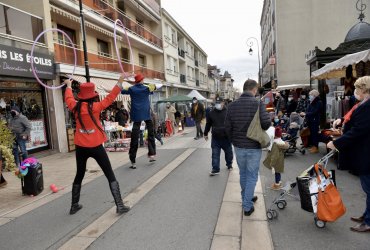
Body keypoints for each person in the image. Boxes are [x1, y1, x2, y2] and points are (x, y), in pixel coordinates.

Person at [64, 76, 130, 215]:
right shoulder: (96, 107)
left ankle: (73, 205)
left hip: (81, 146)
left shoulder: (75, 107)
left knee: (79, 174)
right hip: (95, 145)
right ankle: (119, 205)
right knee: (109, 174)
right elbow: (110, 98)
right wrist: (119, 82)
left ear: (81, 96)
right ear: (92, 95)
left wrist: (68, 86)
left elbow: (68, 98)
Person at [327, 76, 370, 233]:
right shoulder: (364, 104)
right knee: (367, 189)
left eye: (358, 88)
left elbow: (358, 130)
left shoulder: (367, 106)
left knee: (369, 189)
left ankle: (368, 221)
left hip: (366, 153)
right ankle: (367, 216)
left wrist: (336, 143)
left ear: (365, 90)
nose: (355, 91)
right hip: (364, 152)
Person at [225, 79, 271, 216]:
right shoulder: (258, 103)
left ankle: (247, 197)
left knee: (243, 174)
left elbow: (227, 127)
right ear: (254, 90)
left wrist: (233, 140)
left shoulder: (232, 105)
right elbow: (266, 123)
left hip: (238, 146)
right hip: (253, 145)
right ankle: (247, 206)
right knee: (251, 176)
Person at [117, 73, 156, 168]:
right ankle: (151, 155)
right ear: (142, 80)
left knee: (134, 138)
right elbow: (154, 86)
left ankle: (133, 161)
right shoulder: (147, 88)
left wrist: (128, 82)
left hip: (136, 115)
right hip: (146, 114)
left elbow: (121, 90)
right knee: (151, 134)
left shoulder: (131, 89)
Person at [204, 97, 233, 176]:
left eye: (219, 103)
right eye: (216, 103)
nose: (218, 104)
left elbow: (232, 124)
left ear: (223, 103)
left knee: (228, 153)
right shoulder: (211, 113)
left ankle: (229, 164)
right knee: (215, 154)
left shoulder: (228, 112)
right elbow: (208, 124)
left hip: (226, 137)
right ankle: (215, 169)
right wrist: (205, 133)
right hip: (216, 137)